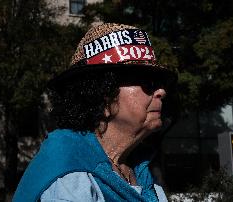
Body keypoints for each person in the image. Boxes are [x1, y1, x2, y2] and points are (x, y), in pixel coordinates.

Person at [13, 23, 177, 202]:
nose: (161, 92)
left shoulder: (141, 169)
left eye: (160, 83)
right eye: (148, 83)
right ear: (103, 96)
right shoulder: (67, 169)